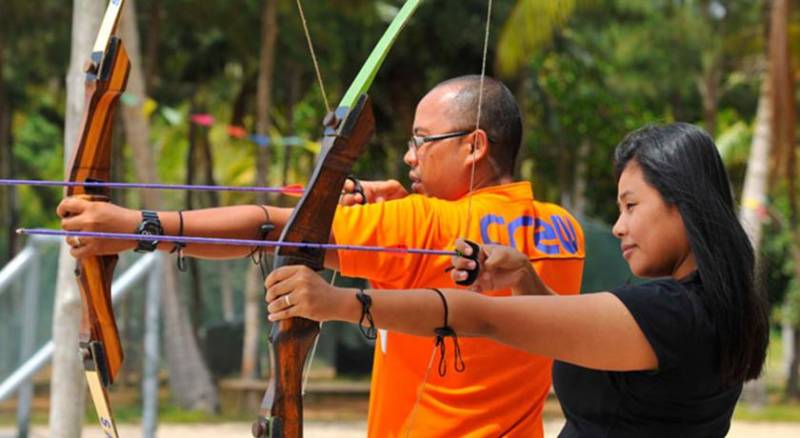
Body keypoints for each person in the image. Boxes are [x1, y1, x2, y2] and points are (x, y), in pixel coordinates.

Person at [58, 75, 585, 437]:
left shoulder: (422, 224)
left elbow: (270, 228)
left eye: (422, 141)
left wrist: (136, 228)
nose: (409, 157)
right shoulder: (565, 230)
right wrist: (400, 204)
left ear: (474, 145)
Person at [264, 122, 770, 437]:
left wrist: (341, 302)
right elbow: (578, 337)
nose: (618, 226)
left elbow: (480, 316)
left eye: (631, 206)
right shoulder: (712, 308)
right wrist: (525, 277)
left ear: (683, 206)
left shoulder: (667, 313)